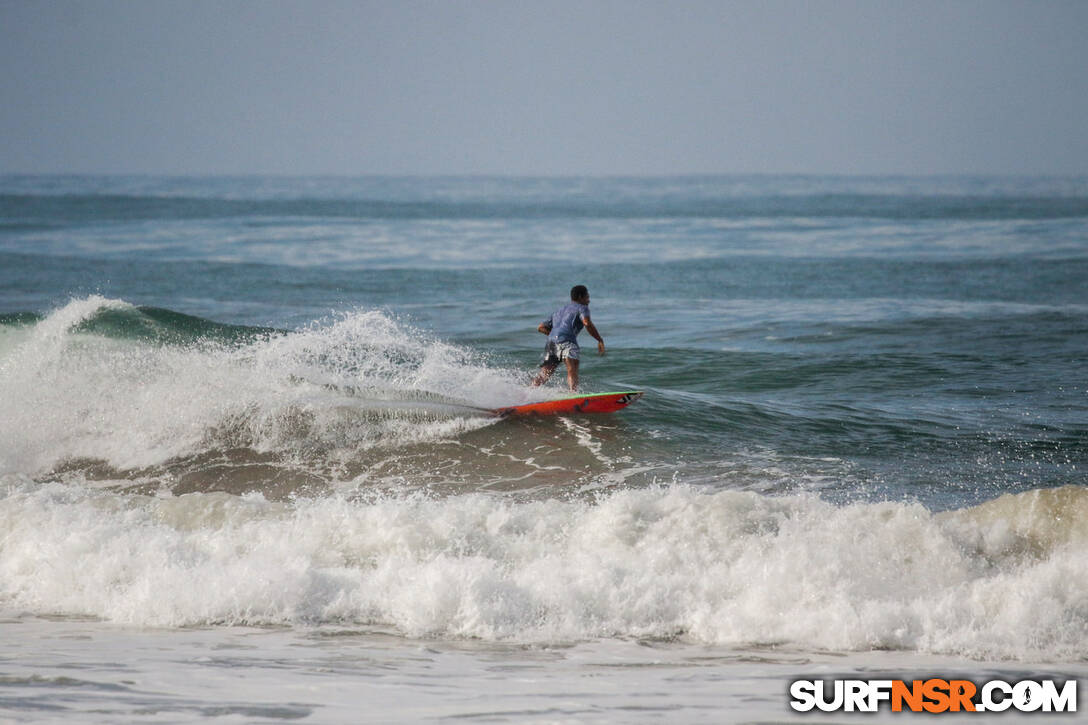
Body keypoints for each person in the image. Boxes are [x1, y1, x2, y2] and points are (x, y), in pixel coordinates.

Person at [531, 285, 605, 391]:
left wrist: (556, 336)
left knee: (545, 372)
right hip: (568, 342)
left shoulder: (559, 310)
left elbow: (541, 327)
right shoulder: (582, 307)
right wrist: (599, 339)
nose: (589, 300)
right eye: (587, 297)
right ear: (580, 297)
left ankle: (530, 391)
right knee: (572, 368)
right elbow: (587, 323)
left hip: (551, 342)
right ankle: (573, 393)